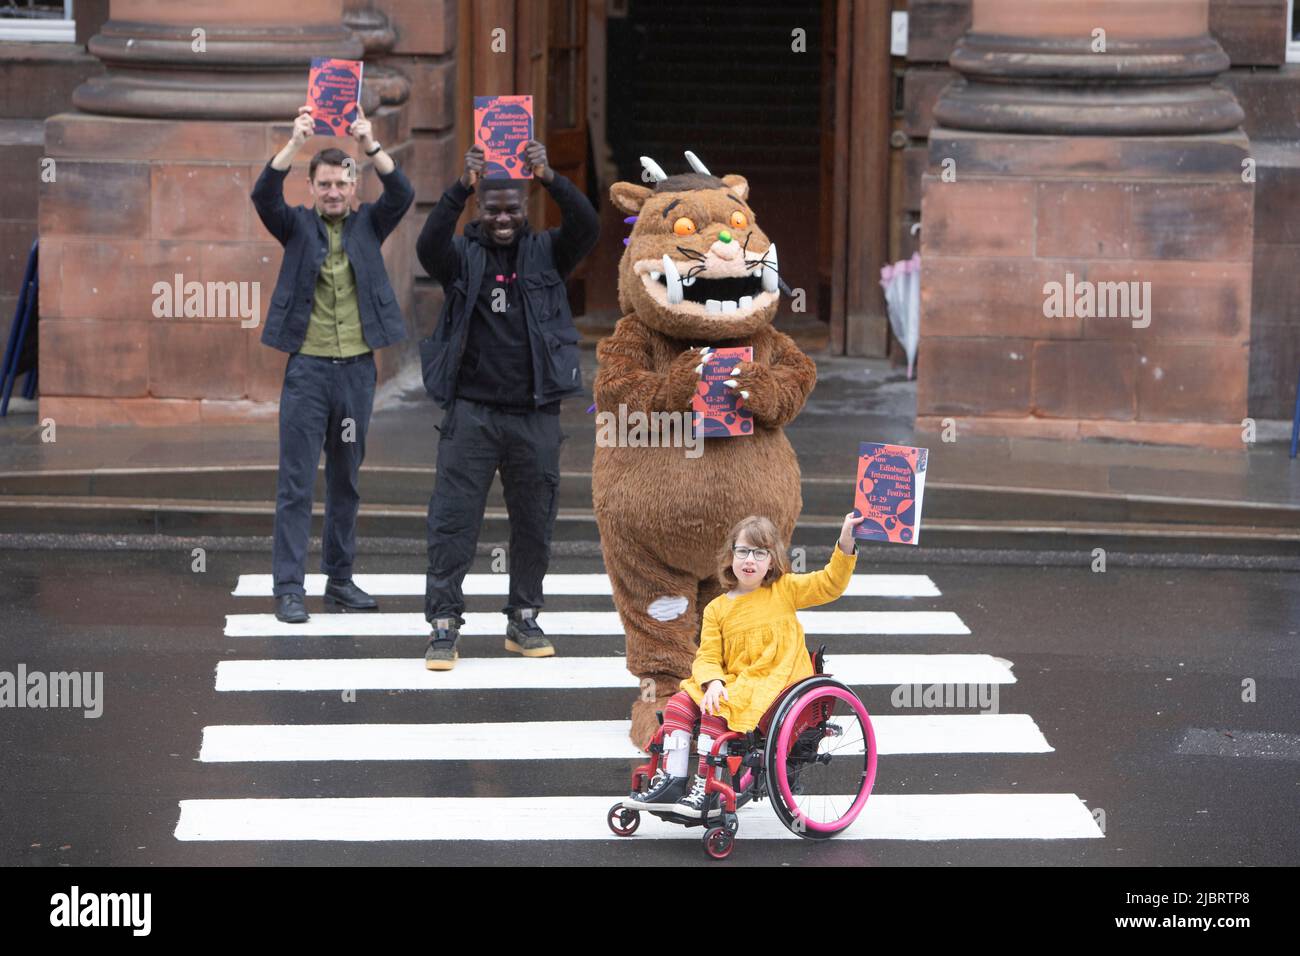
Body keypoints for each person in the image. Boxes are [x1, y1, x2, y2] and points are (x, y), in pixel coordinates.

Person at [416, 139, 599, 670]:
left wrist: (548, 176)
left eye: (511, 210)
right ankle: (444, 625)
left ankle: (523, 616)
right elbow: (429, 246)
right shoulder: (462, 257)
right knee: (452, 521)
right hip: (471, 414)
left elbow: (587, 226)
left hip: (535, 414)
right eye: (492, 209)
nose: (502, 218)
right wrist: (457, 189)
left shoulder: (546, 251)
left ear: (525, 211)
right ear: (479, 208)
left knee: (534, 521)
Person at [251, 103, 414, 623]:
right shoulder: (295, 227)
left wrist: (369, 144)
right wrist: (295, 140)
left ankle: (339, 581)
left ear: (354, 187)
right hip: (309, 373)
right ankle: (289, 588)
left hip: (356, 373)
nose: (334, 192)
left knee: (346, 478)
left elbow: (404, 194)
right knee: (296, 481)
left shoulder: (369, 225)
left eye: (342, 184)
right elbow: (262, 195)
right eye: (323, 185)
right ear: (312, 188)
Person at [626, 511, 866, 816]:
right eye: (742, 551)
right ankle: (671, 779)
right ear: (730, 557)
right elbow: (708, 655)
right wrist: (713, 681)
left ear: (772, 560)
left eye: (759, 552)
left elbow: (830, 583)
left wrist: (846, 539)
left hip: (776, 681)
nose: (749, 560)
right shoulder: (717, 609)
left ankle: (706, 786)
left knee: (717, 708)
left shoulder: (785, 590)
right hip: (734, 682)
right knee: (679, 704)